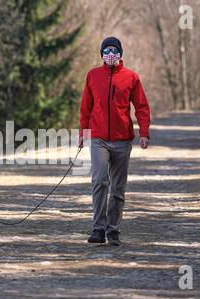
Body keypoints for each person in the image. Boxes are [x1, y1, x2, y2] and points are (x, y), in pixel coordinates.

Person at [78, 36, 151, 246]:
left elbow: (142, 107)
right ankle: (98, 229)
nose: (110, 55)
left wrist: (144, 132)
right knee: (100, 181)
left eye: (114, 51)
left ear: (120, 54)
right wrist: (83, 133)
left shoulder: (131, 78)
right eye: (106, 51)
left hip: (122, 140)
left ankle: (113, 230)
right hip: (99, 139)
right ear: (101, 54)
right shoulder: (93, 76)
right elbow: (86, 107)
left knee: (118, 187)